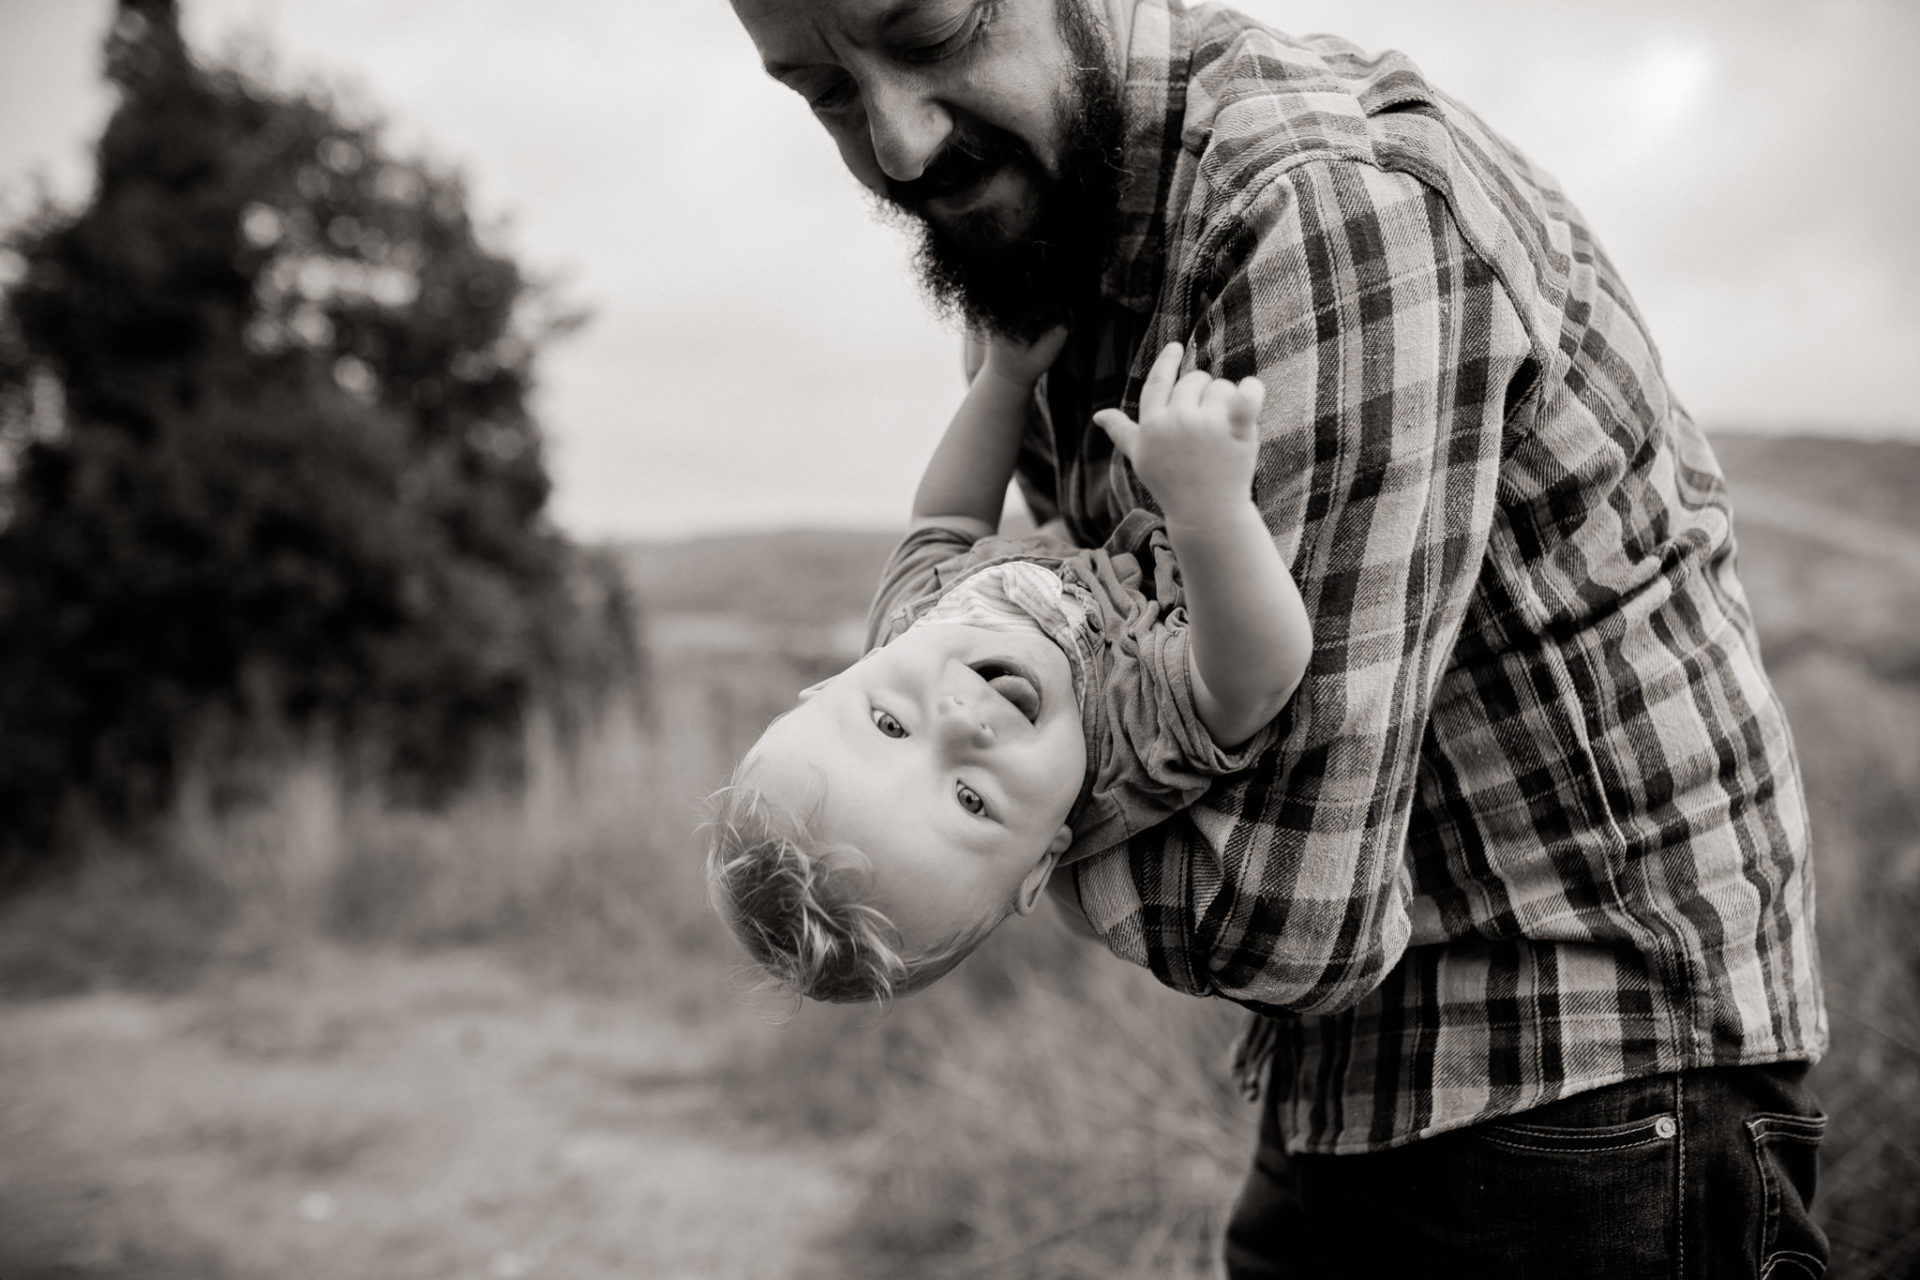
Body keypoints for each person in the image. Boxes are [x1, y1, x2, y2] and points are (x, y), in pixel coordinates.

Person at [723, 0, 1829, 1273]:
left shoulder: (1322, 209)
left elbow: (1293, 923)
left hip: (1588, 1064)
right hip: (1362, 1068)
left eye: (928, 35)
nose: (900, 148)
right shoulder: (1071, 226)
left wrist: (1052, 855)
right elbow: (1223, 674)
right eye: (823, 93)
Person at [708, 331, 1312, 1000]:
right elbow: (1258, 676)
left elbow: (946, 514)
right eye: (971, 800)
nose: (961, 725)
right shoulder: (1126, 740)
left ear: (835, 683)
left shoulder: (911, 623)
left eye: (889, 726)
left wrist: (1003, 382)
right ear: (1040, 862)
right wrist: (1209, 508)